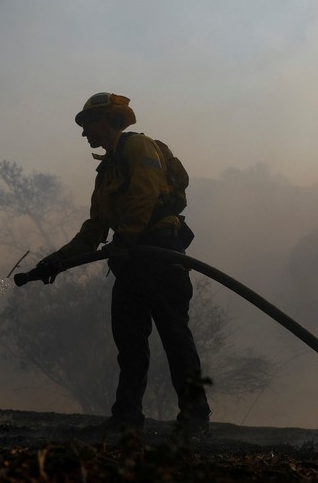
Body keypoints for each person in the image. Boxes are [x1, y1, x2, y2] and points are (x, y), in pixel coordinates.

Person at [36, 92, 211, 438]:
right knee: (129, 344)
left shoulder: (138, 147)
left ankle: (195, 418)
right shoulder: (105, 174)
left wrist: (127, 237)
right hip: (130, 260)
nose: (84, 133)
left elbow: (145, 193)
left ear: (108, 120)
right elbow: (94, 229)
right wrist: (56, 261)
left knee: (175, 337)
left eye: (88, 124)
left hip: (161, 253)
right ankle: (127, 417)